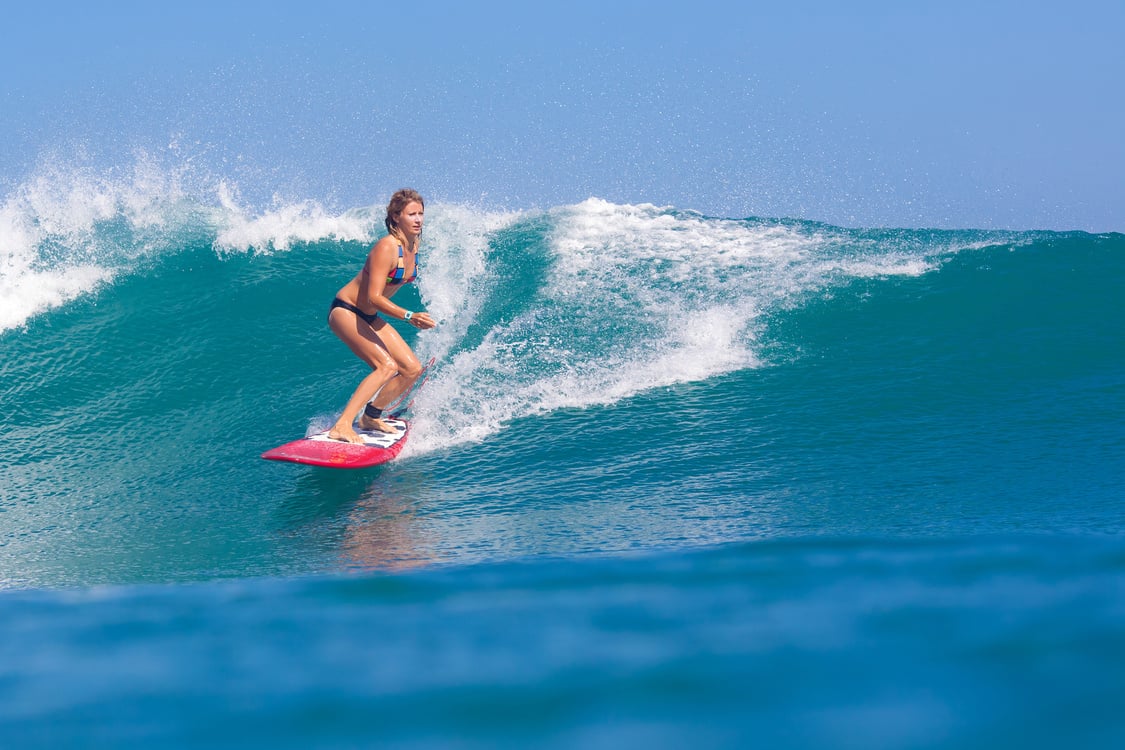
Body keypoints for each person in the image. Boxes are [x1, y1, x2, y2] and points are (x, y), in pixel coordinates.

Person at [327, 188, 436, 443]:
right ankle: (342, 425)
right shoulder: (387, 247)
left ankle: (371, 416)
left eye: (421, 213)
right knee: (386, 366)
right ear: (396, 216)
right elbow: (374, 296)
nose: (418, 219)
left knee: (411, 369)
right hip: (346, 310)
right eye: (412, 214)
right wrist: (410, 316)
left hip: (369, 316)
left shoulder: (413, 244)